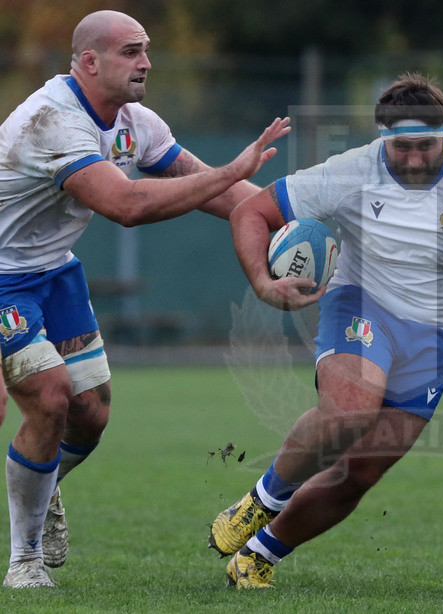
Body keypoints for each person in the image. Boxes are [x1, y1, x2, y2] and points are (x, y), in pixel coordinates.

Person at [208, 72, 443, 589]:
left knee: (358, 476)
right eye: (400, 148)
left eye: (425, 146)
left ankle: (258, 556)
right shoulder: (350, 172)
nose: (413, 159)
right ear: (380, 137)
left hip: (436, 338)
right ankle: (261, 500)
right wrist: (262, 283)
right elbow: (250, 212)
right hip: (360, 305)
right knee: (350, 412)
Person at [0, 10, 290, 588]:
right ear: (89, 62)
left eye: (147, 50)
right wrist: (234, 167)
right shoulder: (52, 121)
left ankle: (43, 486)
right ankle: (25, 560)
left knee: (92, 415)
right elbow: (128, 206)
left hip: (55, 272)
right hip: (3, 277)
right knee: (51, 399)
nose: (146, 63)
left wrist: (296, 222)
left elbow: (220, 190)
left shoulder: (136, 121)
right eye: (131, 52)